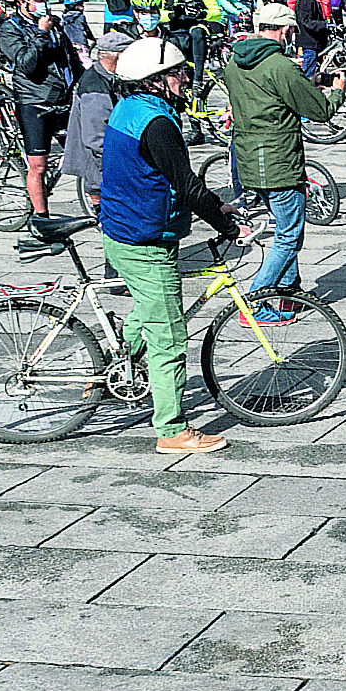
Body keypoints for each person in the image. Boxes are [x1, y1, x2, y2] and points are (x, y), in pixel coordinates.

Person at [101, 37, 249, 453]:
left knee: (150, 312)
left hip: (127, 229)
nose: (186, 78)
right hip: (142, 238)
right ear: (155, 80)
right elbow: (184, 186)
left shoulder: (131, 109)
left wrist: (215, 203)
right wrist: (229, 227)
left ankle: (109, 365)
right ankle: (171, 429)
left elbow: (166, 178)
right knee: (168, 333)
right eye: (178, 72)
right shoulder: (158, 123)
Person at [221, 4, 346, 319]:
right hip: (280, 162)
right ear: (285, 30)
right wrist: (336, 92)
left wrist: (309, 82)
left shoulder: (235, 64)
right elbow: (320, 110)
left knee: (286, 230)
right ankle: (252, 305)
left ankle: (289, 294)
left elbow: (269, 98)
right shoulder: (280, 65)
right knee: (289, 236)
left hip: (250, 161)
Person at [0, 0, 83, 221]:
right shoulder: (10, 29)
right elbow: (26, 64)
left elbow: (70, 58)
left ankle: (100, 210)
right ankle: (41, 219)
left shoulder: (53, 23)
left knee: (87, 156)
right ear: (22, 1)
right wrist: (41, 33)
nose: (44, 2)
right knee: (39, 165)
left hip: (63, 101)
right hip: (35, 102)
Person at [63, 30, 133, 221]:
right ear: (117, 56)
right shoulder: (95, 85)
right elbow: (97, 139)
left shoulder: (113, 77)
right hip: (104, 169)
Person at [153, 0, 222, 87]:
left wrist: (202, 13)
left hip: (196, 24)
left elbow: (217, 13)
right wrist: (173, 14)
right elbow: (157, 15)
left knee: (197, 34)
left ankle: (198, 78)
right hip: (174, 26)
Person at [293, 0, 329, 78]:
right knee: (308, 77)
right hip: (308, 45)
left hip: (314, 44)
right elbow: (306, 22)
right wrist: (325, 25)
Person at [60, 0, 95, 68]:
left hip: (69, 42)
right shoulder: (80, 16)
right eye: (81, 5)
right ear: (74, 6)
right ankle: (90, 75)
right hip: (80, 41)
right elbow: (86, 29)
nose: (83, 7)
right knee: (86, 60)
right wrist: (92, 38)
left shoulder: (64, 16)